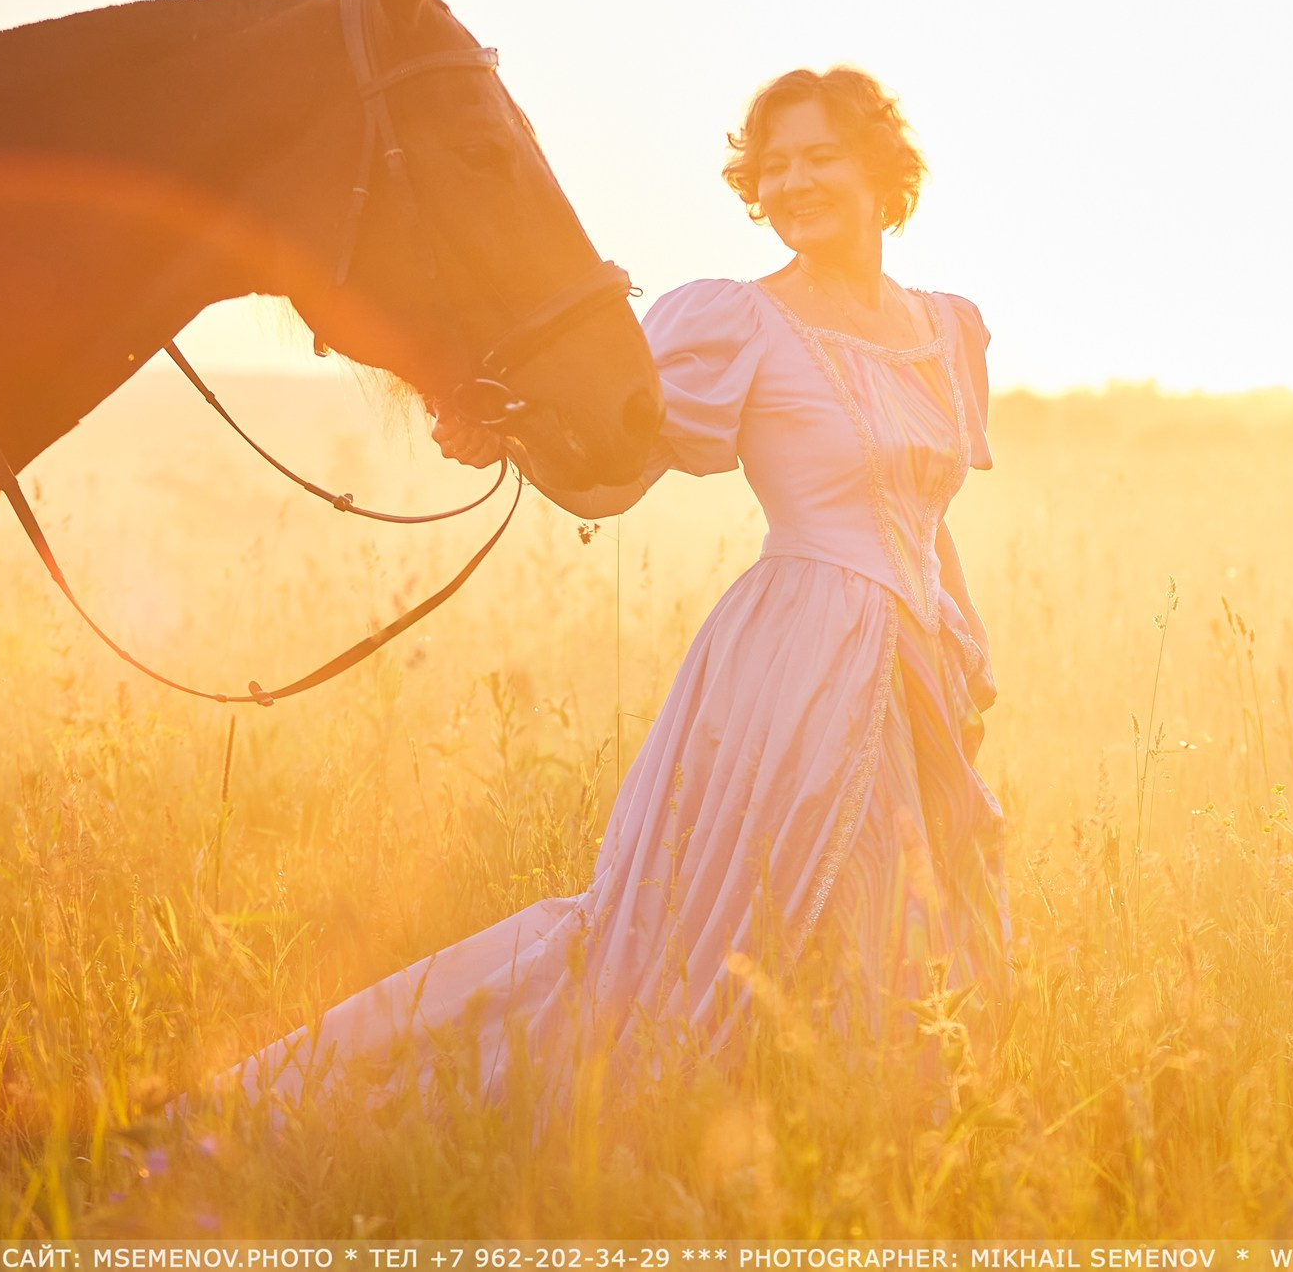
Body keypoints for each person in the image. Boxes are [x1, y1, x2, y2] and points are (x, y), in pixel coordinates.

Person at [205, 66, 1008, 1118]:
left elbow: (928, 505)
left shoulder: (947, 328)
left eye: (820, 156)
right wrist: (512, 431)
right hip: (797, 657)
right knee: (724, 918)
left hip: (914, 655)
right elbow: (617, 462)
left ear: (880, 169)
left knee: (912, 901)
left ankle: (863, 1119)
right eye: (774, 165)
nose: (794, 180)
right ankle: (374, 1089)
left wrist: (962, 634)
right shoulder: (740, 320)